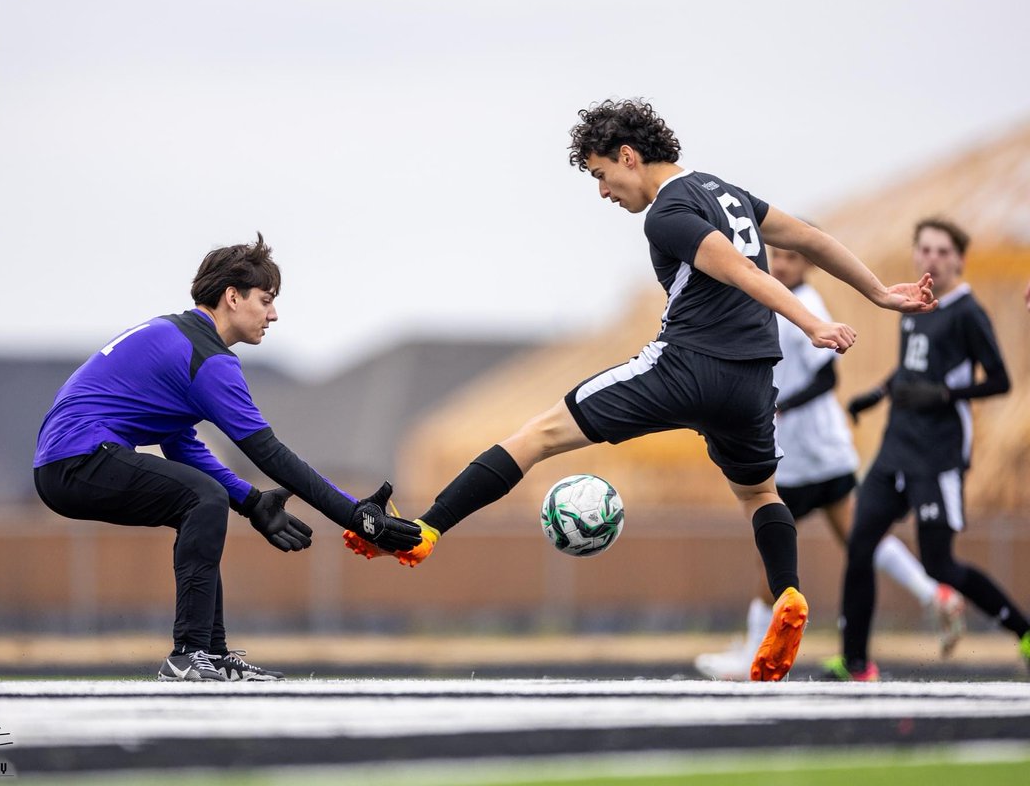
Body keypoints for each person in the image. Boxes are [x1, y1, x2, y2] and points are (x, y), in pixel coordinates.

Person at [345, 98, 937, 682]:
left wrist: (813, 324)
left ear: (629, 156)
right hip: (755, 383)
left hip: (685, 369)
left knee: (537, 436)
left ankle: (424, 532)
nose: (603, 192)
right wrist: (881, 293)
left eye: (602, 175)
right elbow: (809, 237)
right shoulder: (728, 193)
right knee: (760, 496)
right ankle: (787, 594)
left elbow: (741, 270)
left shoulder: (667, 211)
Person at [34, 234, 420, 682]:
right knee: (203, 499)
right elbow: (269, 453)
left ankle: (210, 654)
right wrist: (355, 515)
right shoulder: (208, 358)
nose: (273, 314)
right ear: (232, 297)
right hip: (76, 460)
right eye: (266, 300)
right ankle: (188, 654)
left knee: (205, 497)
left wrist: (251, 502)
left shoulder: (177, 337)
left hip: (66, 463)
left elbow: (181, 444)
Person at [694, 244, 963, 681]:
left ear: (810, 266)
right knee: (859, 539)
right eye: (775, 255)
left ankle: (752, 653)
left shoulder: (807, 305)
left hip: (806, 455)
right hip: (825, 452)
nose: (780, 264)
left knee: (770, 547)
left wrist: (779, 403)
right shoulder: (778, 301)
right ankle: (935, 594)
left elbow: (827, 375)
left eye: (792, 258)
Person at [828, 218, 1030, 681]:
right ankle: (855, 662)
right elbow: (910, 370)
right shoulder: (914, 303)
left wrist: (943, 397)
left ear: (959, 258)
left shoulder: (967, 313)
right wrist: (878, 395)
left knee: (940, 564)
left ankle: (1024, 631)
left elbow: (999, 381)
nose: (932, 259)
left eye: (942, 251)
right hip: (896, 447)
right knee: (860, 544)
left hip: (937, 456)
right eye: (925, 250)